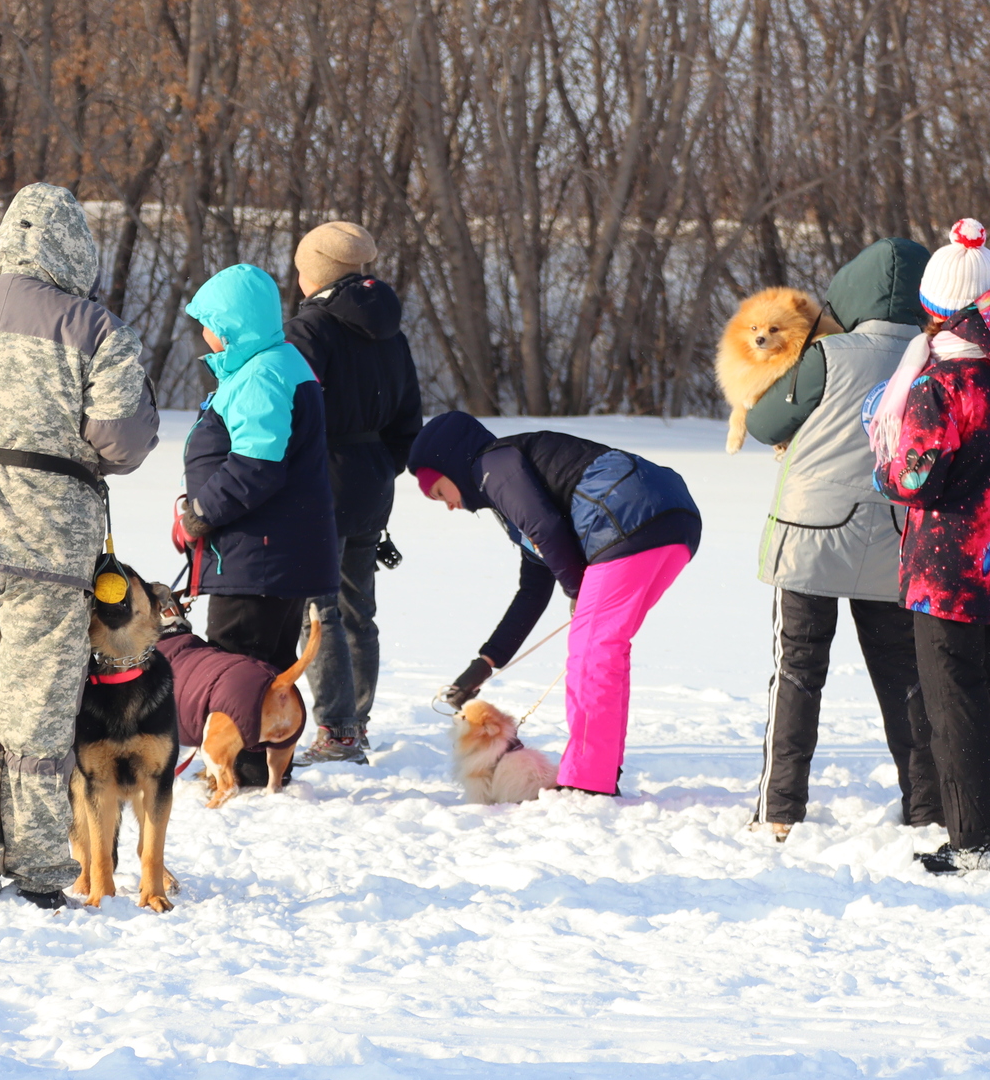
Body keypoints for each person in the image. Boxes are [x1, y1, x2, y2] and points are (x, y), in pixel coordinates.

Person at [0, 183, 160, 908]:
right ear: (75, 247)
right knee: (40, 710)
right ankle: (45, 865)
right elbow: (121, 437)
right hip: (44, 546)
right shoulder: (94, 326)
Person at [873, 219, 990, 873]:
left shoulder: (939, 386)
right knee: (981, 688)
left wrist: (886, 470)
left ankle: (975, 839)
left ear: (938, 311)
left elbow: (913, 476)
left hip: (945, 569)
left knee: (951, 698)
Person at [407, 412, 700, 796]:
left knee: (591, 654)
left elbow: (545, 528)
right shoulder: (512, 491)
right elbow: (533, 587)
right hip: (669, 518)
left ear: (449, 467)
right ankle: (599, 771)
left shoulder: (493, 464)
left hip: (627, 516)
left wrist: (578, 590)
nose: (447, 505)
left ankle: (587, 783)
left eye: (439, 492)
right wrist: (485, 663)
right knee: (605, 651)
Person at [745, 237, 931, 839]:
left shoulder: (831, 355)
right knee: (905, 675)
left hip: (810, 540)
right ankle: (926, 808)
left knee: (796, 671)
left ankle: (780, 809)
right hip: (897, 541)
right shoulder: (936, 360)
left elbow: (764, 422)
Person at [176, 262, 338, 783]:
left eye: (207, 320)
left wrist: (201, 513)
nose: (202, 332)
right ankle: (262, 767)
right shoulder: (278, 365)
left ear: (231, 323)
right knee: (268, 666)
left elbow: (257, 464)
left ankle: (239, 771)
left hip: (258, 556)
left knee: (235, 668)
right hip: (270, 552)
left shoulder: (264, 373)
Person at [281, 222, 422, 766]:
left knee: (319, 611)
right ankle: (355, 723)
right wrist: (380, 466)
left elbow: (293, 415)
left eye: (300, 268)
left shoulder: (308, 331)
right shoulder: (393, 332)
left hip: (321, 485)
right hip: (372, 485)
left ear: (316, 271)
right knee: (357, 608)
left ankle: (338, 733)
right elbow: (410, 422)